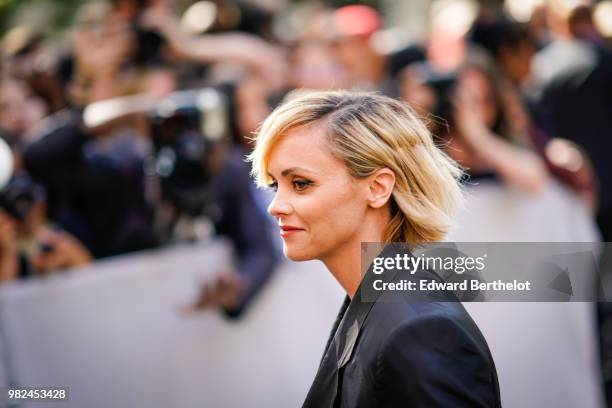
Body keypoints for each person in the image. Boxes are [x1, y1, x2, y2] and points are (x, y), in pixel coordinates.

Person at [248, 90, 501, 407]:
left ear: (378, 188)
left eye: (300, 183)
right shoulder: (371, 303)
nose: (276, 206)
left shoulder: (421, 332)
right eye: (275, 185)